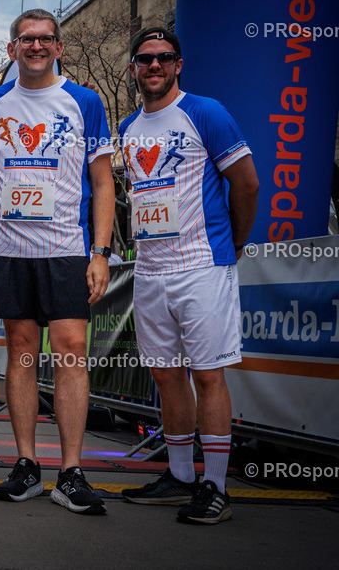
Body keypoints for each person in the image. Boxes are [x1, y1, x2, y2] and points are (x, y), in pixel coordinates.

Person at [0, 8, 115, 514]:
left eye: (45, 39)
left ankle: (71, 471)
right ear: (12, 49)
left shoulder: (85, 101)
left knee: (72, 349)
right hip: (9, 249)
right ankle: (27, 464)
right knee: (21, 351)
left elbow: (103, 181)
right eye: (26, 39)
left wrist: (100, 252)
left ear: (59, 47)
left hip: (66, 248)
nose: (36, 46)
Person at [118, 28, 258, 524]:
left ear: (179, 64)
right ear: (134, 68)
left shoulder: (205, 112)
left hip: (201, 265)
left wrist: (234, 243)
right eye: (145, 59)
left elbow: (246, 183)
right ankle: (179, 476)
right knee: (165, 373)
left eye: (164, 57)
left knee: (207, 374)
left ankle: (215, 486)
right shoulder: (128, 127)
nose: (154, 66)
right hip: (150, 269)